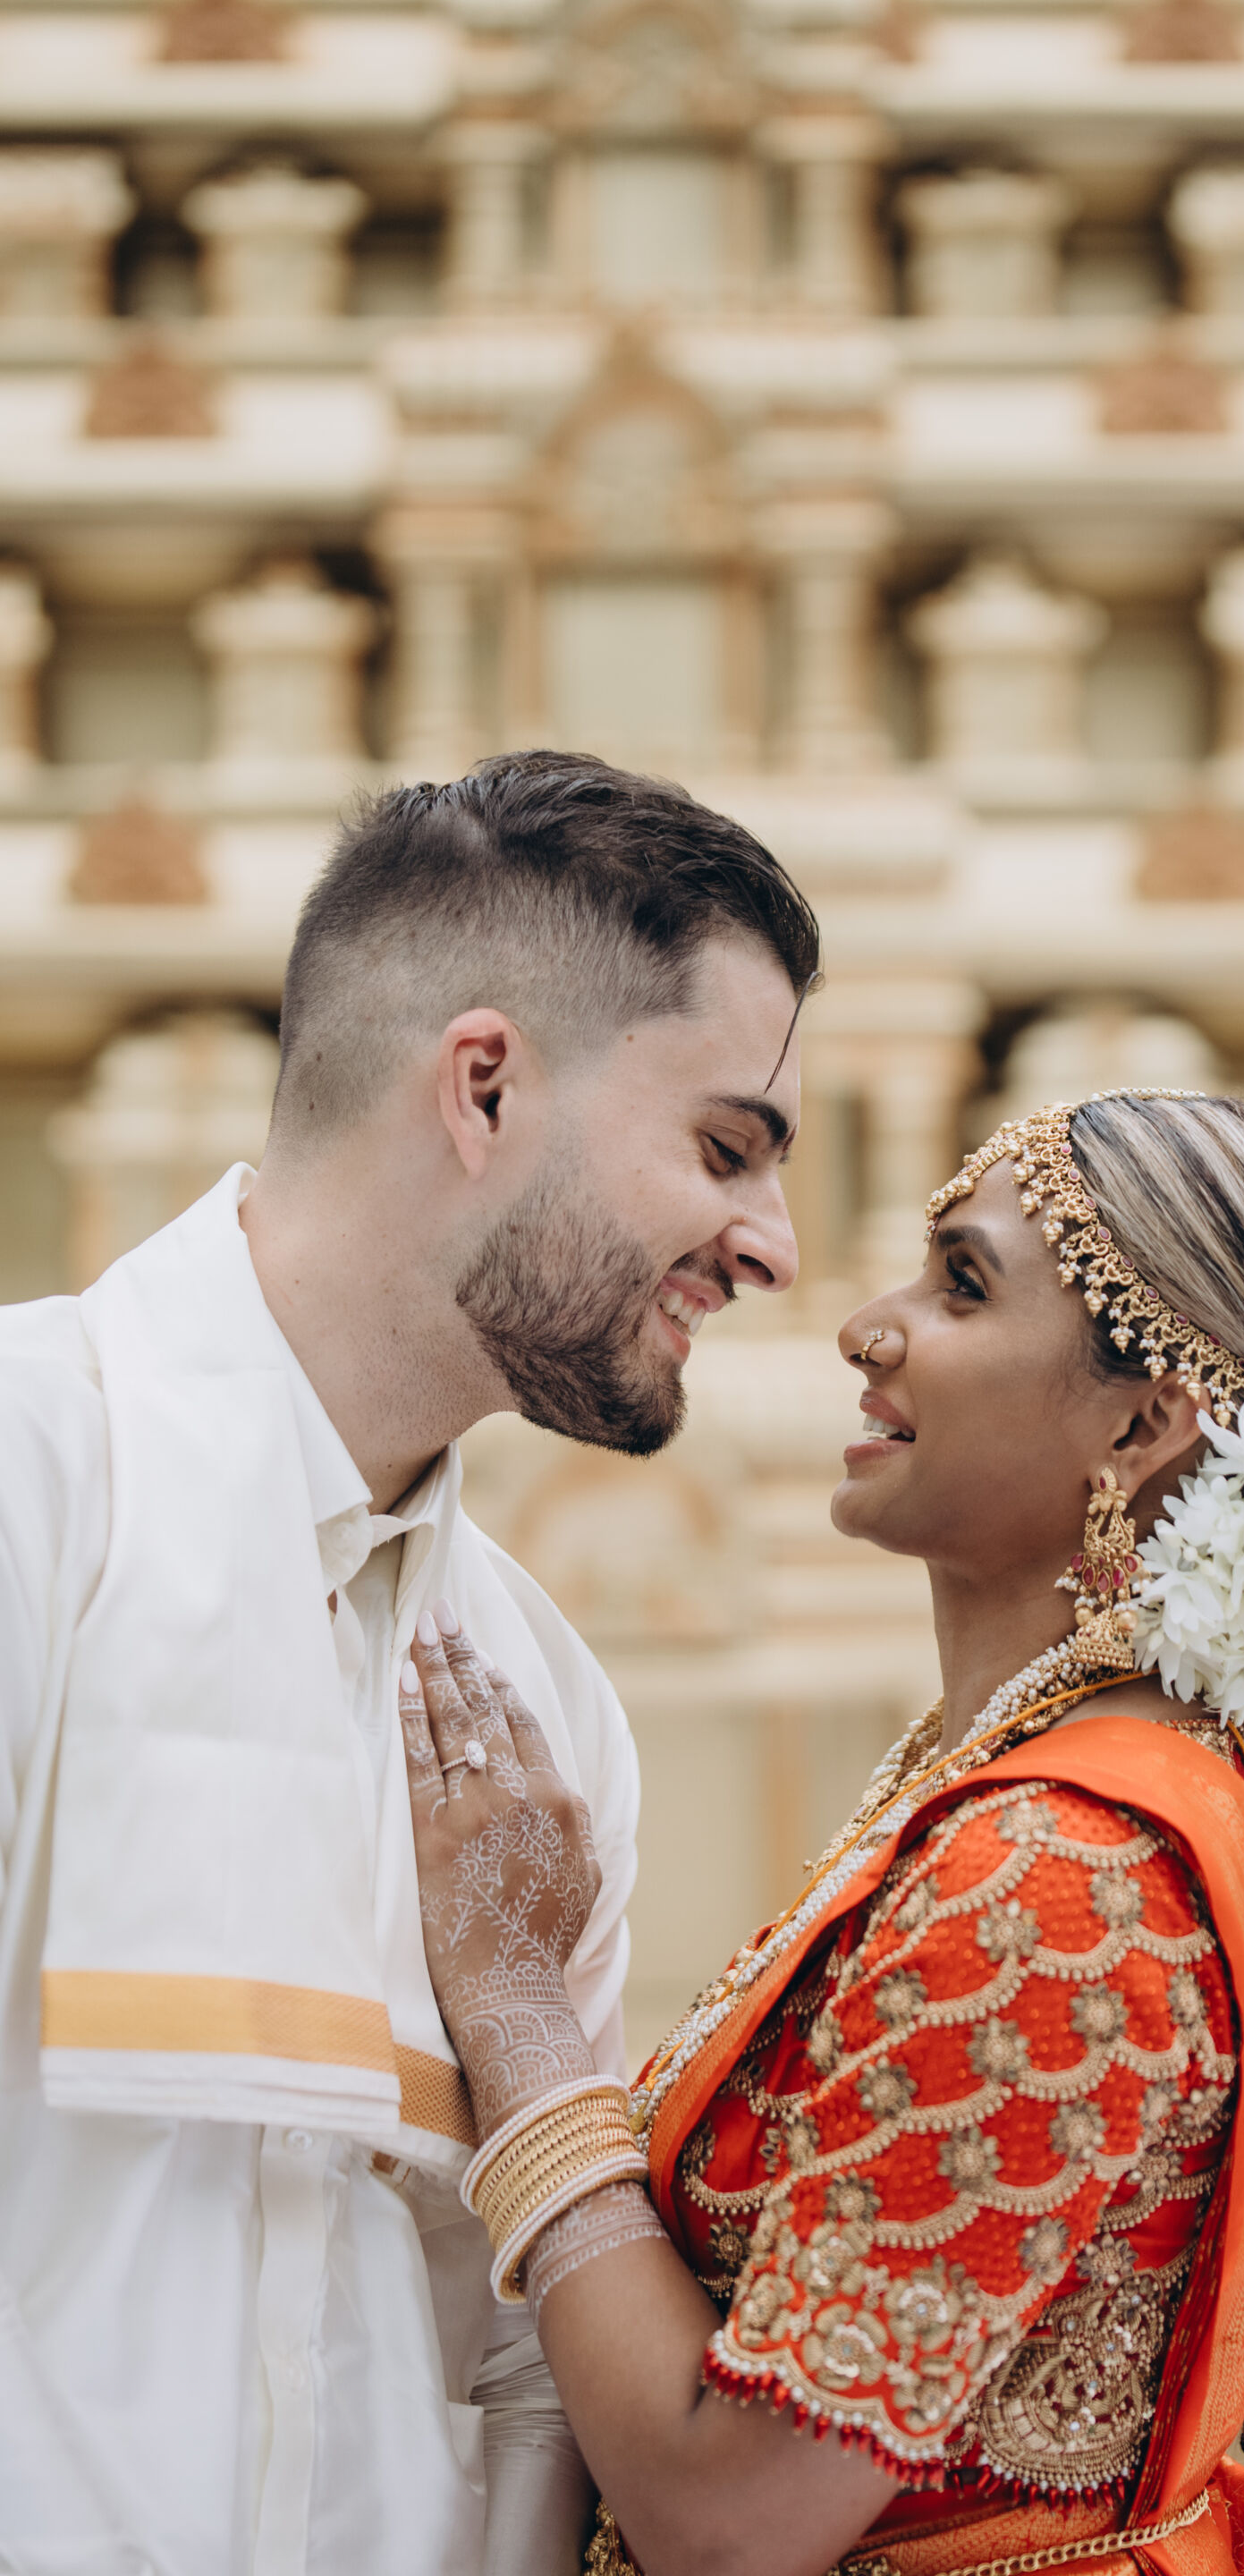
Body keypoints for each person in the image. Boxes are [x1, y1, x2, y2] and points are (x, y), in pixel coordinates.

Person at [396, 1087, 1244, 2576]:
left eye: (963, 1286)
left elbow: (729, 2521)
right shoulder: (1039, 1784)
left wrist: (521, 2013)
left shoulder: (1060, 1880)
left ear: (1141, 1422)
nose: (867, 1328)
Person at [0, 751, 819, 2576]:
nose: (773, 1246)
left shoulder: (542, 1698)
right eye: (727, 1147)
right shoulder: (30, 1486)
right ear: (485, 1085)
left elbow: (523, 2352)